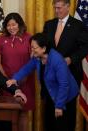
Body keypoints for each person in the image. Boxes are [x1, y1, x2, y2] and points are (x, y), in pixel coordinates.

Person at [7, 33, 79, 131]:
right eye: (31, 47)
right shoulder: (37, 57)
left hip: (65, 96)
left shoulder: (57, 60)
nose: (32, 51)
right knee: (49, 124)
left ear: (44, 48)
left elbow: (64, 85)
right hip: (50, 93)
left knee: (62, 126)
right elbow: (27, 68)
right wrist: (15, 79)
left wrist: (59, 106)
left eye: (34, 48)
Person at [43, 0, 88, 130]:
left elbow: (85, 47)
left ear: (68, 7)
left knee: (66, 116)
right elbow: (44, 46)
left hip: (70, 75)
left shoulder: (78, 25)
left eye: (59, 8)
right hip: (51, 77)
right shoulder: (49, 25)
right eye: (55, 8)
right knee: (50, 114)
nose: (56, 11)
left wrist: (71, 59)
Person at [0, 12, 35, 131]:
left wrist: (24, 77)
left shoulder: (29, 38)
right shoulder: (1, 39)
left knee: (23, 112)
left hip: (25, 81)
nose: (11, 28)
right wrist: (5, 78)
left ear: (20, 24)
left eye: (14, 25)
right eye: (8, 25)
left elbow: (33, 60)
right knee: (8, 112)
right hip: (7, 83)